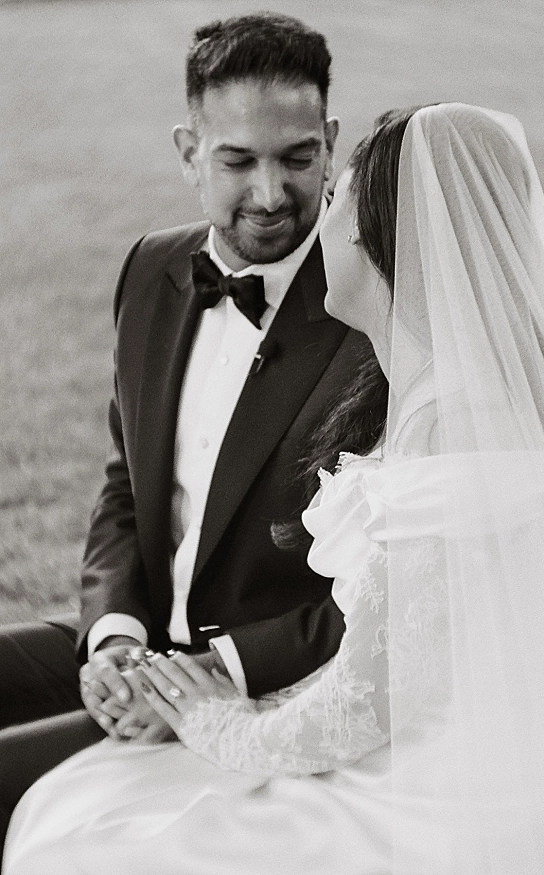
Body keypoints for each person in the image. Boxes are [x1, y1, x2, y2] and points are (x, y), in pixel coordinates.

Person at [5, 101, 544, 874]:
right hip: (357, 719)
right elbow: (125, 489)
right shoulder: (432, 390)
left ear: (387, 236)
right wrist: (131, 647)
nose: (305, 217)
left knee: (82, 831)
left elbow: (368, 701)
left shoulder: (452, 421)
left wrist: (219, 718)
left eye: (333, 195)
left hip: (428, 785)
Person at [0, 11, 389, 855]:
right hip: (135, 635)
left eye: (297, 157)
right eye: (236, 159)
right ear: (187, 151)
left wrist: (211, 673)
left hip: (260, 684)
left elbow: (384, 590)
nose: (270, 192)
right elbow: (122, 486)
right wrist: (113, 640)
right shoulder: (151, 267)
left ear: (330, 140)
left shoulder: (378, 315)